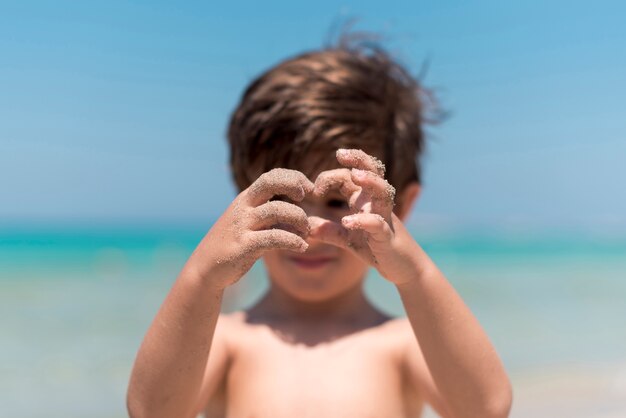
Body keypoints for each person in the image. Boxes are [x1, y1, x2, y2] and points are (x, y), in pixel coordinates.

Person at [127, 37, 512, 418]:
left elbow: (484, 409)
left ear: (402, 207)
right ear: (242, 201)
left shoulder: (401, 345)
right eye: (283, 200)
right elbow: (152, 412)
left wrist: (414, 274)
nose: (311, 228)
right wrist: (202, 278)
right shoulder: (227, 341)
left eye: (338, 202)